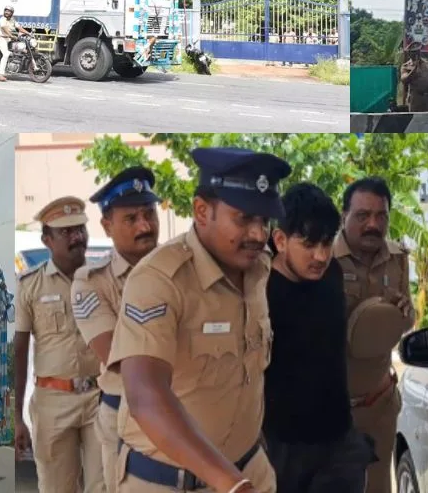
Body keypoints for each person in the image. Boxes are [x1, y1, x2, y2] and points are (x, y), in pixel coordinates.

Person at [107, 147, 293, 493]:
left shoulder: (260, 269)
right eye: (244, 219)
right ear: (202, 211)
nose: (257, 234)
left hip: (252, 472)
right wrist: (232, 484)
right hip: (169, 482)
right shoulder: (159, 279)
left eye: (265, 221)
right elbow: (145, 395)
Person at [264, 182, 376, 493]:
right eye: (309, 244)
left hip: (339, 441)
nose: (320, 255)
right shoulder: (260, 290)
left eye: (327, 243)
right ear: (281, 240)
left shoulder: (333, 274)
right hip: (282, 448)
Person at [72, 167, 163, 493]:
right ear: (107, 225)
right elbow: (117, 357)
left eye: (149, 213)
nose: (145, 226)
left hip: (188, 410)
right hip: (126, 414)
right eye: (131, 218)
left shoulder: (183, 272)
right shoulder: (91, 282)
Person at [15, 197, 105, 493]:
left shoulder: (103, 281)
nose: (76, 236)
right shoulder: (30, 285)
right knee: (57, 488)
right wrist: (15, 418)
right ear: (47, 240)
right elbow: (18, 351)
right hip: (53, 402)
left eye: (80, 229)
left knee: (103, 486)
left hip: (100, 399)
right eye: (66, 232)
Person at [333, 177, 415, 493]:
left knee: (378, 486)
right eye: (363, 215)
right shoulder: (323, 257)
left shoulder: (397, 258)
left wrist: (404, 315)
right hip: (332, 409)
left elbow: (405, 322)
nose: (373, 224)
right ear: (344, 217)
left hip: (379, 405)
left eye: (381, 216)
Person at [0, 5, 32, 82]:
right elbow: (4, 28)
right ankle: (0, 75)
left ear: (12, 13)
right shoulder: (2, 20)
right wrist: (11, 35)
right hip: (2, 39)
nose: (7, 12)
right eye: (6, 10)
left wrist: (28, 33)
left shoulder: (13, 20)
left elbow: (19, 28)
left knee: (22, 48)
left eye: (9, 11)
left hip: (9, 40)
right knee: (6, 54)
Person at [400, 42, 428, 112]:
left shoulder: (427, 63)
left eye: (418, 51)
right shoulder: (406, 66)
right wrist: (414, 68)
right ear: (409, 54)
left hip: (427, 97)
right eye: (414, 52)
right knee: (415, 120)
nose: (416, 54)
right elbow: (404, 80)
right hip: (415, 98)